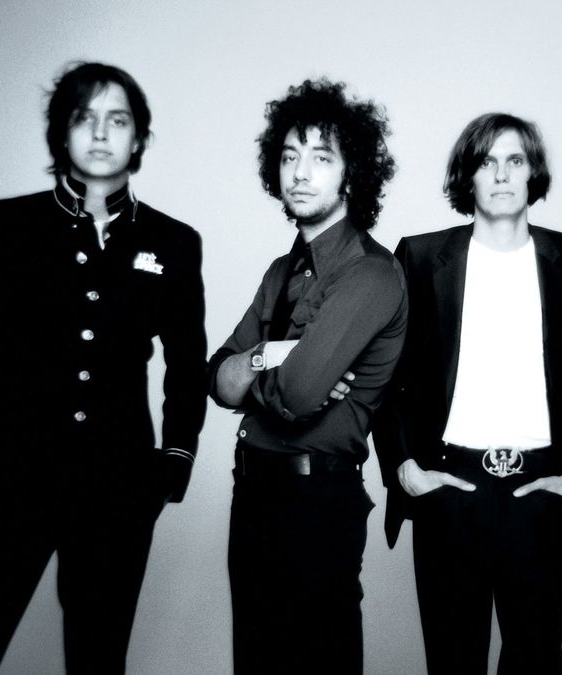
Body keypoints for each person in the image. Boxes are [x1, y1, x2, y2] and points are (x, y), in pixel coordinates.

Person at [0, 61, 207, 673]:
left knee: (98, 662)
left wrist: (171, 465)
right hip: (4, 481)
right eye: (85, 118)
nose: (101, 133)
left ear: (139, 137)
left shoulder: (174, 243)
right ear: (61, 132)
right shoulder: (1, 226)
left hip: (117, 490)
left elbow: (188, 366)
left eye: (118, 120)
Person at [374, 112, 562, 675]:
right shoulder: (420, 258)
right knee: (453, 662)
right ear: (467, 176)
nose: (501, 174)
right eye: (486, 161)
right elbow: (385, 375)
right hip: (450, 489)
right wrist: (405, 468)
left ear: (532, 173)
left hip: (539, 491)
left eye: (515, 160)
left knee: (537, 663)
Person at [208, 78, 405, 674]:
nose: (300, 172)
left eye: (321, 157)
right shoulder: (281, 269)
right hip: (253, 497)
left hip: (317, 504)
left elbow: (297, 396)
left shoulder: (371, 273)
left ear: (351, 174)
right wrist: (274, 353)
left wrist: (266, 373)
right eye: (290, 156)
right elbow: (217, 379)